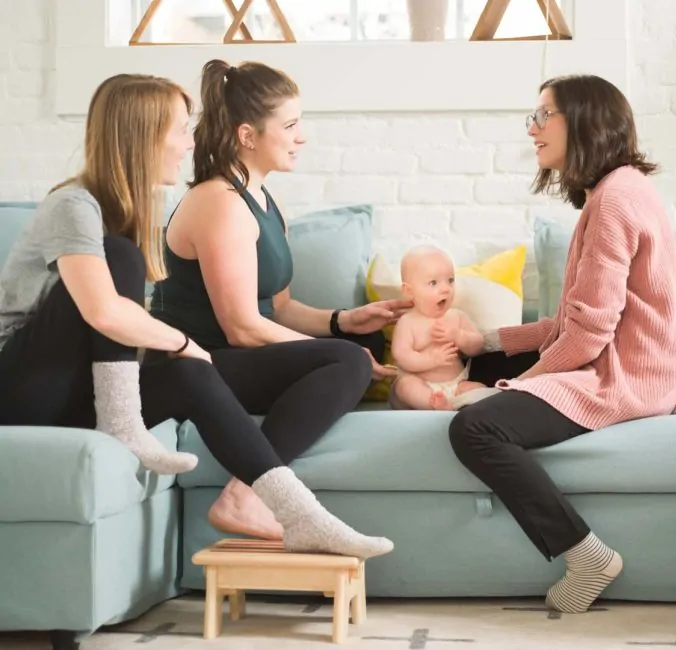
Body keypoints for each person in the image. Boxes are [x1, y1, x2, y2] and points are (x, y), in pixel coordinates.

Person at [0, 72, 393, 560]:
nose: (191, 143)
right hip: (19, 387)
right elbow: (103, 311)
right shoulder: (73, 205)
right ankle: (124, 422)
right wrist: (183, 342)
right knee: (123, 260)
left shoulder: (134, 208)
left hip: (85, 389)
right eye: (181, 130)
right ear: (143, 135)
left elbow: (272, 309)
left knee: (192, 375)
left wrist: (341, 323)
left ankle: (299, 515)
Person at [448, 74, 676, 613]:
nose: (533, 130)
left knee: (476, 427)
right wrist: (489, 341)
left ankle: (585, 554)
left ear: (584, 120)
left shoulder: (614, 203)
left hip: (629, 374)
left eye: (544, 116)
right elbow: (573, 319)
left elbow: (587, 336)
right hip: (624, 354)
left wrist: (513, 385)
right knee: (478, 356)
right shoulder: (617, 190)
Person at [148, 59, 410, 540]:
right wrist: (339, 354)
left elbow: (280, 307)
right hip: (197, 367)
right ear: (248, 135)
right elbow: (243, 327)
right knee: (347, 364)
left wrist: (343, 322)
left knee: (354, 350)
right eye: (290, 125)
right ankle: (244, 495)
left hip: (237, 361)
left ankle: (250, 490)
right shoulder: (219, 202)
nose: (301, 136)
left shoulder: (264, 201)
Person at [389, 245, 490, 410]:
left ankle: (454, 405)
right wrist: (431, 360)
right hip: (422, 383)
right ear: (409, 291)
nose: (445, 289)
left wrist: (459, 336)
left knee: (479, 389)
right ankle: (433, 404)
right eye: (433, 283)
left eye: (450, 280)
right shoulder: (407, 322)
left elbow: (478, 345)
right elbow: (401, 356)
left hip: (457, 384)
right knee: (406, 387)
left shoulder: (456, 316)